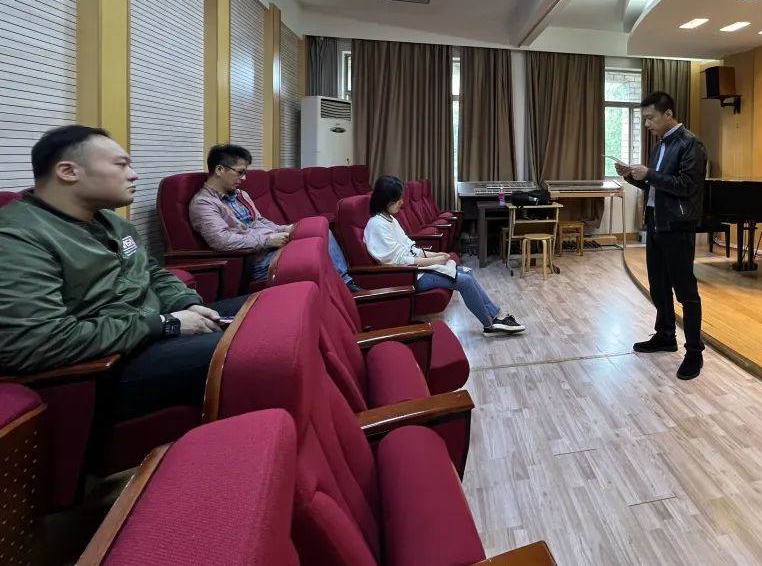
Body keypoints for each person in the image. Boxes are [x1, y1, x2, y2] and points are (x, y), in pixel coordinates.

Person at [0, 125, 250, 420]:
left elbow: (153, 272)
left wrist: (186, 303)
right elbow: (35, 342)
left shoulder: (111, 221)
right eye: (121, 165)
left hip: (155, 329)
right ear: (68, 171)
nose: (134, 175)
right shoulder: (18, 236)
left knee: (274, 311)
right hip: (112, 362)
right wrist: (164, 324)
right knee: (262, 349)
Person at [616, 91, 707, 380]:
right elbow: (657, 187)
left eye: (650, 118)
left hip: (678, 225)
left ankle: (694, 352)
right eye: (644, 119)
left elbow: (686, 186)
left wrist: (649, 174)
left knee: (686, 292)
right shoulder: (660, 145)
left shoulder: (691, 144)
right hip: (656, 221)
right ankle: (666, 336)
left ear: (668, 114)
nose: (646, 124)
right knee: (658, 286)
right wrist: (631, 176)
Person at [364, 175, 525, 335]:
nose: (402, 202)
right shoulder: (377, 226)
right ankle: (489, 325)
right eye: (397, 199)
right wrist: (435, 261)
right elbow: (399, 261)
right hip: (407, 276)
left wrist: (436, 254)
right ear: (385, 200)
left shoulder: (390, 220)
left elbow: (410, 248)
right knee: (465, 281)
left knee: (467, 272)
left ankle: (495, 315)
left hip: (415, 270)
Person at [189, 144, 361, 292]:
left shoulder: (241, 195)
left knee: (321, 229)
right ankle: (341, 291)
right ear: (220, 170)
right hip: (255, 261)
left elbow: (259, 221)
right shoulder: (203, 203)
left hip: (273, 247)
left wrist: (285, 229)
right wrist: (268, 240)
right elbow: (222, 241)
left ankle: (345, 284)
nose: (244, 178)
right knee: (314, 252)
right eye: (240, 172)